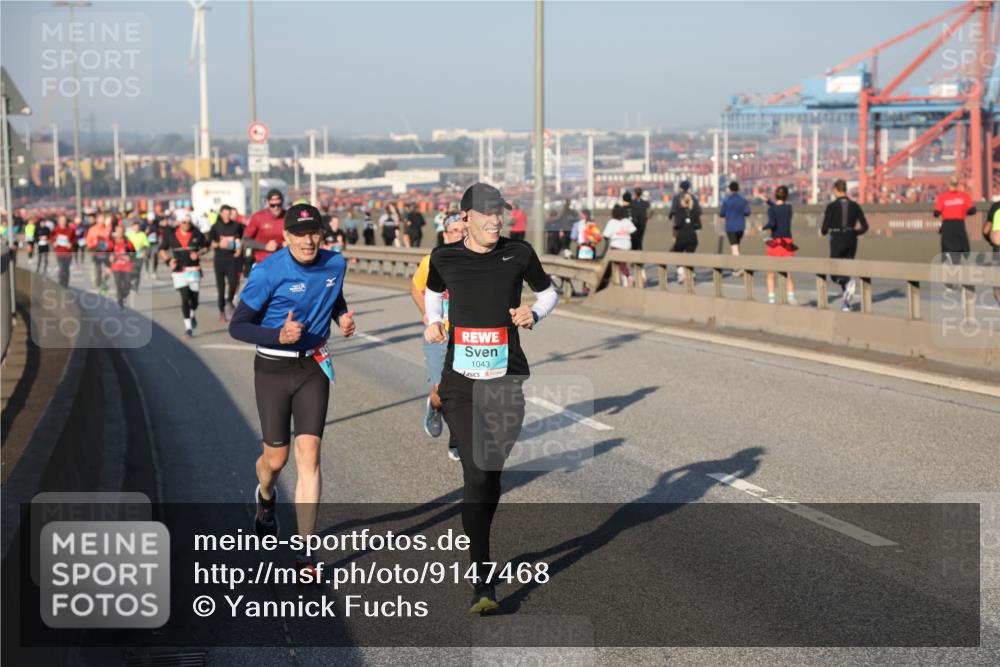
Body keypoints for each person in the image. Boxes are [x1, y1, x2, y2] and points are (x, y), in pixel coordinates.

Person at [423, 183, 558, 614]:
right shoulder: (444, 257)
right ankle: (482, 579)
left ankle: (480, 540)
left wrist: (533, 312)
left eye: (500, 213)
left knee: (492, 475)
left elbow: (551, 291)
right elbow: (432, 291)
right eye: (485, 214)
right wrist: (433, 321)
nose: (495, 220)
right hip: (460, 382)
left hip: (507, 379)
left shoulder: (519, 254)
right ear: (465, 218)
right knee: (479, 472)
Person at [228, 203, 356, 579]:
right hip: (272, 368)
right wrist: (276, 335)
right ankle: (265, 495)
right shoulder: (268, 271)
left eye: (314, 232)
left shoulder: (335, 264)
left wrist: (343, 317)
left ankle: (305, 552)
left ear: (322, 234)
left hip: (313, 365)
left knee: (310, 454)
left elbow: (334, 298)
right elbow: (238, 326)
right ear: (285, 237)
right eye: (299, 234)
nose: (308, 240)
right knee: (276, 461)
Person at [411, 212, 467, 460]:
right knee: (443, 389)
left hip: (468, 335)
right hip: (439, 334)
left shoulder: (478, 260)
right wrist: (427, 313)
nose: (461, 234)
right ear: (446, 235)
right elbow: (416, 287)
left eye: (465, 230)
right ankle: (435, 406)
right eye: (455, 231)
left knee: (468, 391)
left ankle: (458, 439)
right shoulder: (432, 260)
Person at [821, 179, 869, 312]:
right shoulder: (855, 206)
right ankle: (846, 304)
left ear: (836, 190)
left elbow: (824, 228)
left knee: (834, 271)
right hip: (852, 239)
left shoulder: (831, 207)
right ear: (845, 189)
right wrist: (854, 232)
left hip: (837, 238)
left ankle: (847, 284)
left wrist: (825, 232)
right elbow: (865, 227)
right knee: (846, 268)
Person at [160, 209, 208, 338]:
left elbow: (206, 247)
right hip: (179, 271)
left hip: (194, 271)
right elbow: (162, 250)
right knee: (185, 298)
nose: (186, 224)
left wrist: (197, 253)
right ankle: (188, 328)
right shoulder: (171, 235)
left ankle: (192, 312)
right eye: (184, 222)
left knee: (195, 301)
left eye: (188, 222)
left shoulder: (197, 233)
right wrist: (169, 261)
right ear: (179, 222)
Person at [209, 205, 244, 323]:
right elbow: (211, 243)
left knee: (234, 282)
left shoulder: (236, 226)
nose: (226, 215)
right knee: (221, 287)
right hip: (219, 260)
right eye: (224, 213)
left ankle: (229, 300)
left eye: (228, 213)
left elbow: (240, 239)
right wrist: (219, 245)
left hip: (231, 259)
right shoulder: (216, 227)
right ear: (220, 214)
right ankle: (222, 313)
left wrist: (238, 249)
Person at [763, 185, 797, 304]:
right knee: (788, 271)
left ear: (775, 195)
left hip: (776, 242)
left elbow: (772, 223)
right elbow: (780, 209)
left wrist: (763, 227)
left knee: (771, 272)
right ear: (786, 196)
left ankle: (771, 298)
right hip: (787, 242)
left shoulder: (771, 210)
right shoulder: (789, 208)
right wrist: (769, 202)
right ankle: (791, 296)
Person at [933, 176, 976, 272]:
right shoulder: (964, 196)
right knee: (962, 248)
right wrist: (965, 211)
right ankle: (959, 266)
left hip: (948, 225)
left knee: (947, 247)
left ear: (948, 184)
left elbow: (936, 213)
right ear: (957, 184)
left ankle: (948, 262)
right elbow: (972, 210)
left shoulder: (943, 197)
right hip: (959, 225)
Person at [245, 189, 287, 266]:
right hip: (262, 263)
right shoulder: (258, 217)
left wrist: (292, 243)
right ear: (267, 203)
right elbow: (245, 241)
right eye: (273, 205)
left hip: (283, 263)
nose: (276, 208)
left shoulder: (288, 217)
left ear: (282, 202)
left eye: (279, 205)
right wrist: (265, 246)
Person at [719, 181, 751, 275]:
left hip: (730, 226)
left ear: (729, 189)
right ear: (738, 188)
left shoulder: (726, 200)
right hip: (740, 226)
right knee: (737, 245)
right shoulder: (743, 200)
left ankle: (738, 267)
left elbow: (721, 214)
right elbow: (747, 212)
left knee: (734, 247)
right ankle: (737, 265)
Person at [671, 193, 702, 284]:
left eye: (681, 200)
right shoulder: (695, 211)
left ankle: (681, 274)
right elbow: (699, 226)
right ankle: (691, 273)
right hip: (693, 237)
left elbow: (677, 224)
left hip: (682, 237)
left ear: (683, 201)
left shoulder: (679, 211)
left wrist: (675, 231)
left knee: (676, 253)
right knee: (690, 256)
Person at [603, 204, 637, 287]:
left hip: (616, 245)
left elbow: (605, 236)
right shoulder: (626, 221)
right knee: (623, 263)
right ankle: (625, 280)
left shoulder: (612, 222)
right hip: (627, 245)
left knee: (619, 264)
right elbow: (634, 232)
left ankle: (628, 277)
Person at [107, 225, 137, 310]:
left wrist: (129, 257)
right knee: (118, 284)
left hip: (126, 267)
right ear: (115, 232)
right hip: (116, 267)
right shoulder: (112, 242)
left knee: (127, 284)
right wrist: (109, 259)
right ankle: (120, 301)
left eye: (121, 231)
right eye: (118, 231)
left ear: (123, 232)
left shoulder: (127, 242)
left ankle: (124, 295)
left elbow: (134, 253)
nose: (119, 233)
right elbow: (107, 253)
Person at [86, 213, 113, 294]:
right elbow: (88, 241)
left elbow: (111, 240)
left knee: (109, 271)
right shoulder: (92, 229)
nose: (101, 221)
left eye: (103, 219)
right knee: (97, 272)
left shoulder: (108, 228)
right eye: (100, 219)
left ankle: (104, 282)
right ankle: (99, 283)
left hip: (106, 252)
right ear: (97, 220)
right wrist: (91, 246)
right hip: (96, 252)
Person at [125, 218, 151, 293]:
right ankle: (129, 283)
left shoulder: (142, 234)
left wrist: (143, 247)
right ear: (132, 227)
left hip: (139, 255)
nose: (136, 228)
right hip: (130, 255)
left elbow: (147, 245)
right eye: (135, 227)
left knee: (137, 272)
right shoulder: (128, 234)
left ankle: (136, 286)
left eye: (138, 227)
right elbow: (123, 242)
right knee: (129, 271)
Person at [51, 215, 76, 287]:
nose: (62, 222)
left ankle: (66, 283)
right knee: (61, 267)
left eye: (64, 220)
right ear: (58, 221)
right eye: (61, 220)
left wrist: (71, 244)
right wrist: (53, 243)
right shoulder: (55, 230)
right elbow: (51, 237)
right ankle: (61, 283)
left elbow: (74, 240)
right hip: (59, 252)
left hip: (68, 252)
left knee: (66, 268)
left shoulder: (71, 230)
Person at [629, 187, 651, 251]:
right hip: (642, 224)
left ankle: (635, 255)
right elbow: (650, 212)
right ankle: (639, 255)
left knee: (633, 241)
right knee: (640, 241)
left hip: (634, 224)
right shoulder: (645, 203)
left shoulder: (631, 203)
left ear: (635, 193)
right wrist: (647, 218)